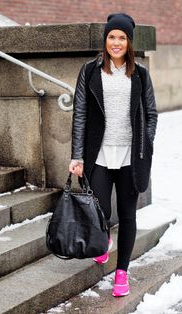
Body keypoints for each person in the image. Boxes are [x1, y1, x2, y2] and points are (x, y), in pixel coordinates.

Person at [69, 13, 158, 297]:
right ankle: (104, 238)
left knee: (128, 215)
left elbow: (151, 113)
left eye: (122, 37)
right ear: (105, 39)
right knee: (102, 211)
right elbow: (80, 114)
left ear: (129, 42)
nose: (116, 43)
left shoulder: (141, 73)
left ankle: (122, 272)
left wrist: (145, 143)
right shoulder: (90, 70)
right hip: (99, 154)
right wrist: (77, 155)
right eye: (111, 37)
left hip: (132, 157)